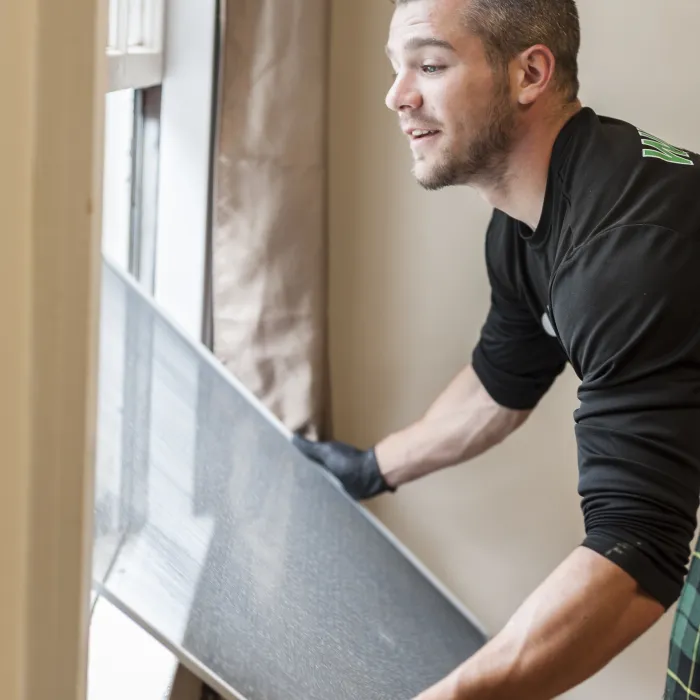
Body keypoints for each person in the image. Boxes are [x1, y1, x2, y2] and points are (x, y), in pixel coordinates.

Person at [294, 0, 700, 698]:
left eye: (429, 64)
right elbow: (500, 384)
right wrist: (370, 468)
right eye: (397, 69)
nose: (397, 96)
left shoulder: (625, 249)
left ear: (530, 74)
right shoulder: (532, 220)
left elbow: (636, 556)